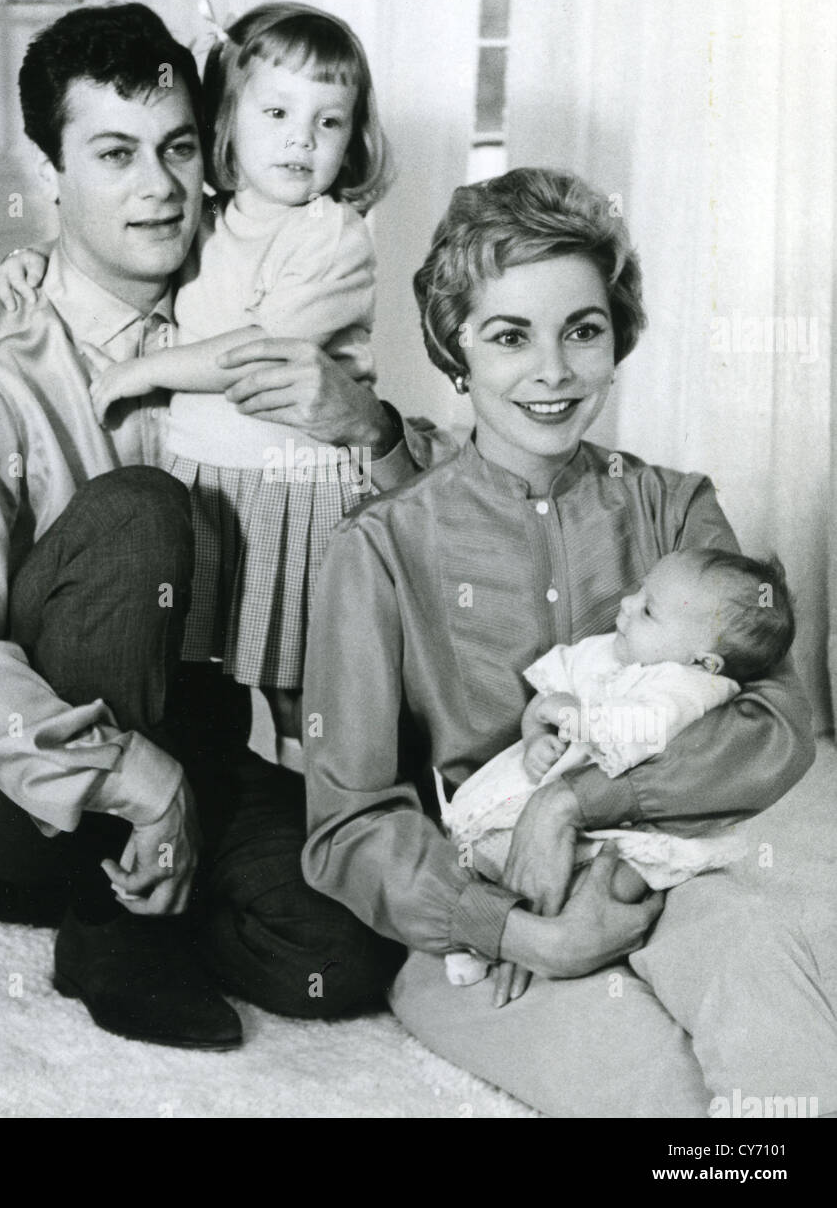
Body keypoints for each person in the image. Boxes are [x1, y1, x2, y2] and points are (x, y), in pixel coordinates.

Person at [0, 3, 432, 1052]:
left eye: (178, 147)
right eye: (115, 154)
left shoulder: (250, 294)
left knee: (343, 958)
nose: (159, 186)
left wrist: (369, 424)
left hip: (200, 729)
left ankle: (96, 880)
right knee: (139, 515)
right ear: (50, 176)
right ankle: (98, 919)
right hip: (10, 763)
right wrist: (136, 775)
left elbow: (416, 509)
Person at [301, 168, 832, 1116]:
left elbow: (775, 722)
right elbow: (346, 826)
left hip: (673, 870)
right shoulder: (378, 546)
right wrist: (515, 931)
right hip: (491, 916)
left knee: (780, 1023)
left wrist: (571, 806)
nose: (552, 372)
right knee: (656, 1084)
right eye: (510, 336)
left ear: (614, 337)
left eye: (580, 331)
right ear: (453, 351)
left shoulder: (673, 505)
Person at [0, 2, 394, 751]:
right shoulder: (211, 217)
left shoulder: (330, 235)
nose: (301, 140)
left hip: (289, 484)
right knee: (199, 665)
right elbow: (118, 244)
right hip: (209, 479)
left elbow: (255, 345)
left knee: (293, 690)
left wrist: (140, 371)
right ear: (228, 122)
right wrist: (35, 262)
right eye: (276, 112)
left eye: (329, 121)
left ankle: (326, 812)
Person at [440, 546, 796, 985]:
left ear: (703, 661)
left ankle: (534, 936)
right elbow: (547, 697)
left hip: (614, 827)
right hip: (532, 793)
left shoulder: (689, 688)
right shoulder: (608, 651)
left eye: (648, 611)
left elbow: (642, 730)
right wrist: (536, 733)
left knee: (614, 877)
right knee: (469, 854)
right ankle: (498, 935)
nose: (626, 606)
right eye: (639, 590)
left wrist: (578, 716)